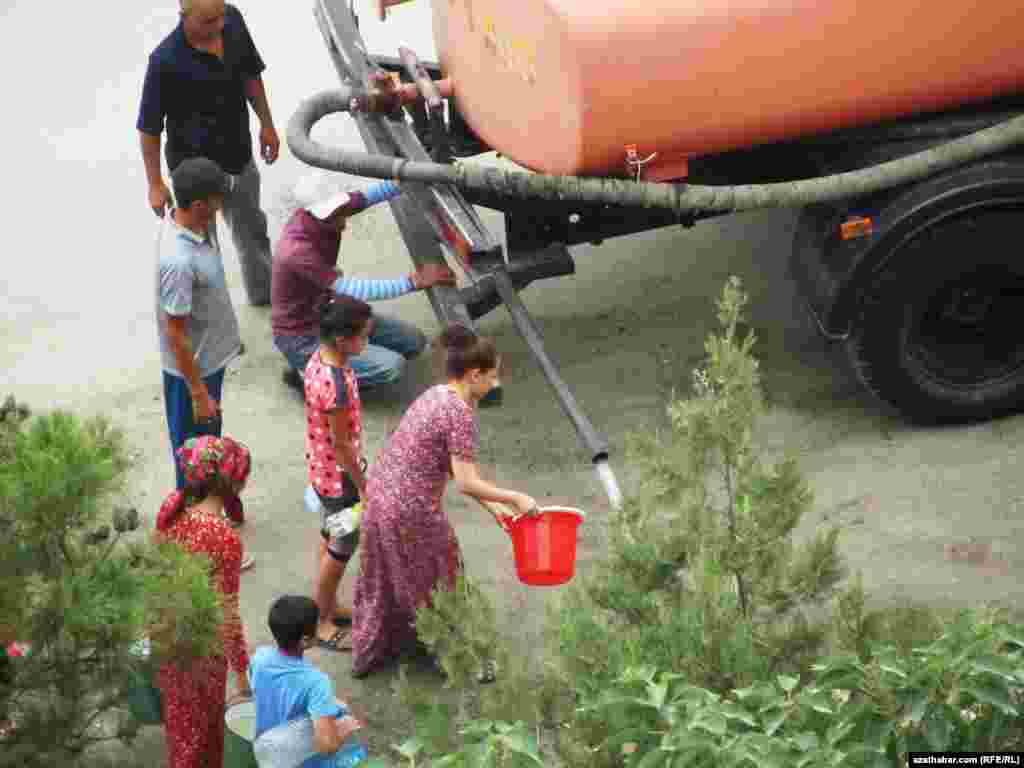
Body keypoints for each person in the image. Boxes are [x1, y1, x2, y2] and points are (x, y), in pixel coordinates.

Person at [350, 325, 538, 679]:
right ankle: (458, 659)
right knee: (442, 580)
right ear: (474, 374)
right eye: (492, 376)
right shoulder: (461, 415)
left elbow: (444, 465)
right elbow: (466, 482)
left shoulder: (436, 395)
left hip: (380, 499)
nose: (495, 384)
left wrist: (494, 508)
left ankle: (370, 651)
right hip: (411, 510)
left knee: (384, 577)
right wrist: (515, 498)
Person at [138, 0, 279, 306]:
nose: (218, 27)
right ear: (184, 16)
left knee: (253, 235)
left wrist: (267, 124)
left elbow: (251, 76)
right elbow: (149, 128)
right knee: (202, 250)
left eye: (220, 18)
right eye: (207, 22)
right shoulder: (164, 61)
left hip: (238, 157)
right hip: (195, 174)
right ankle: (220, 328)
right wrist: (155, 184)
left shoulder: (233, 20)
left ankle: (266, 300)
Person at [271, 179, 456, 393]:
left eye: (343, 211)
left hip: (328, 310)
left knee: (414, 342)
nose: (344, 221)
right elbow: (351, 289)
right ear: (316, 215)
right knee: (391, 367)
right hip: (301, 335)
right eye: (336, 216)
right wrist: (414, 282)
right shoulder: (297, 251)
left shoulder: (326, 211)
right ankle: (310, 379)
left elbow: (369, 196)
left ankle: (325, 362)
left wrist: (406, 178)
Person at [156, 436, 253, 768]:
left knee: (182, 726)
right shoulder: (224, 537)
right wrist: (241, 669)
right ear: (231, 483)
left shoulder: (173, 514)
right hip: (201, 649)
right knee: (199, 734)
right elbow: (226, 610)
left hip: (166, 638)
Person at [304, 296, 373, 650]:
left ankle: (327, 604)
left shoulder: (317, 360)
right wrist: (363, 487)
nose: (367, 342)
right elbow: (342, 444)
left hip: (321, 470)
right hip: (340, 478)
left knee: (329, 534)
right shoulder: (337, 384)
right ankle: (321, 620)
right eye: (364, 336)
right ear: (343, 340)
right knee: (342, 546)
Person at [250, 596, 365, 768]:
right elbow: (327, 745)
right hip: (292, 758)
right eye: (318, 623)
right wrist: (341, 731)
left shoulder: (260, 657)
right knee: (352, 740)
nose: (321, 625)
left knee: (335, 706)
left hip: (264, 748)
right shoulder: (316, 683)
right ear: (305, 640)